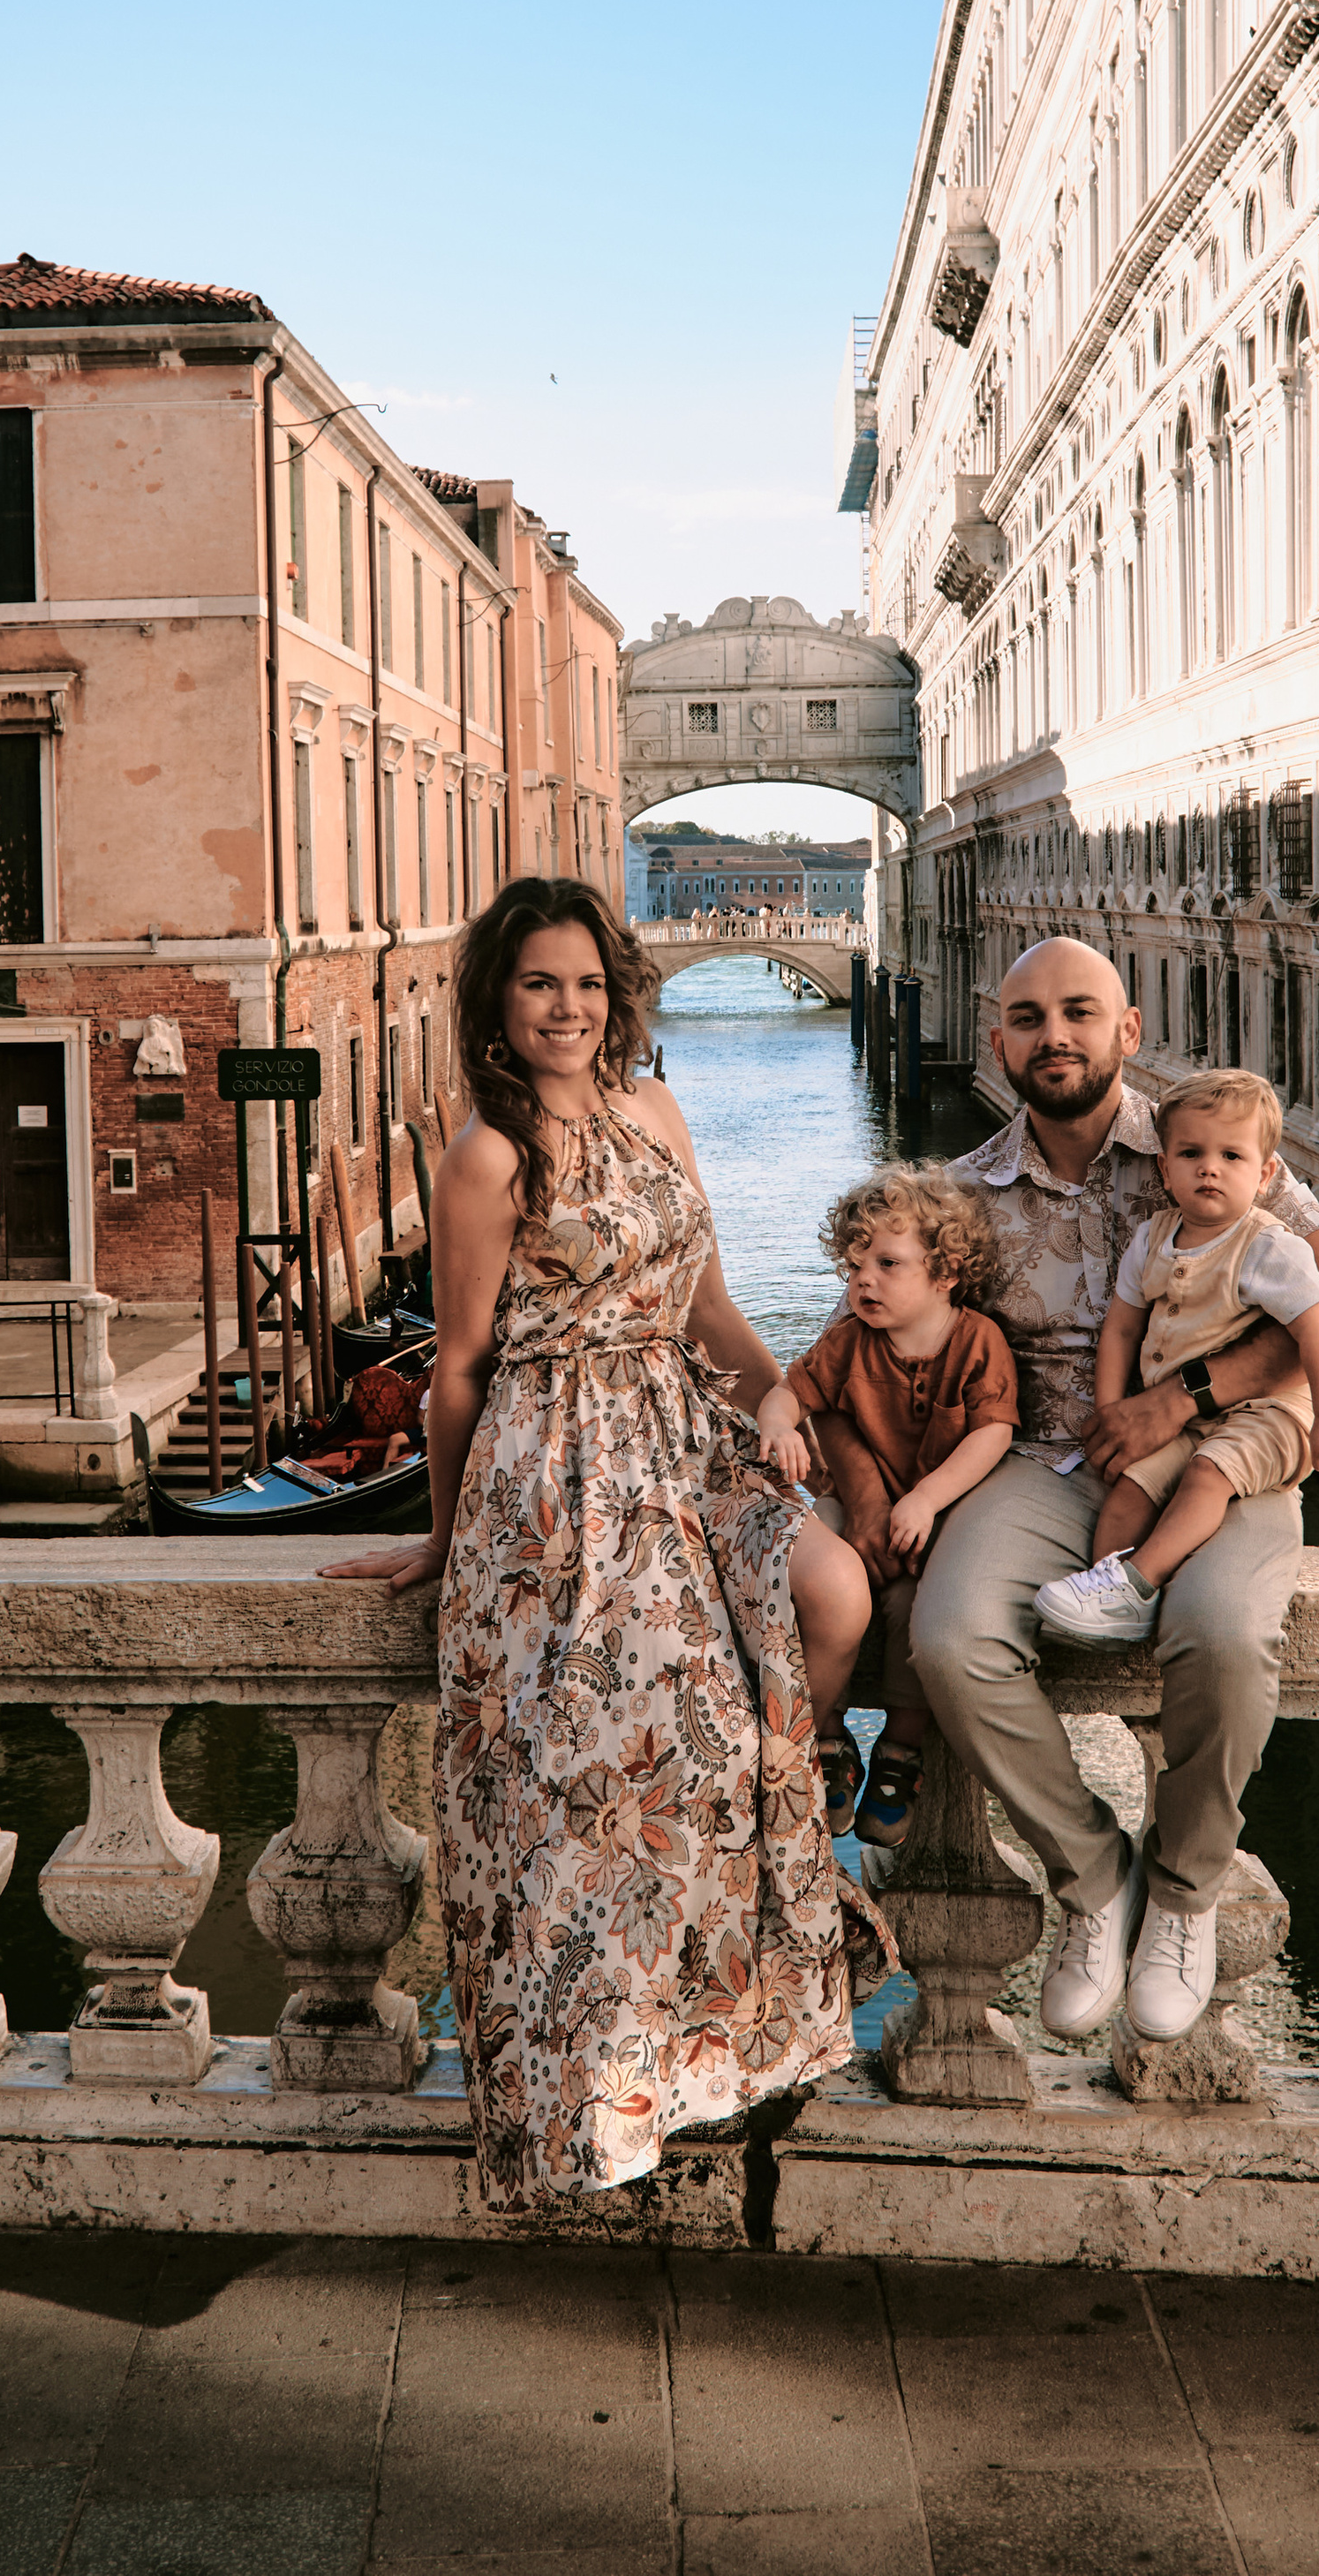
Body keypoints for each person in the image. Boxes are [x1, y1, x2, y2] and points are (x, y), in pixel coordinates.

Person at [321, 873, 889, 2209]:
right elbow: (458, 1368)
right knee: (600, 1781)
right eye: (538, 986)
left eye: (584, 982)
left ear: (613, 992)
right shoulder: (488, 1158)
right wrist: (449, 1541)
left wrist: (778, 1401)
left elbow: (711, 1299)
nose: (566, 1007)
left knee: (838, 1593)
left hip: (682, 1433)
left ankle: (775, 1844)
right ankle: (604, 2099)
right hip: (556, 1466)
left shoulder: (654, 1107)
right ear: (497, 1006)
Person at [839, 938, 1319, 2049]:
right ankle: (1095, 1879)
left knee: (1224, 1639)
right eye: (1028, 1018)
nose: (1056, 1036)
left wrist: (1184, 1398)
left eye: (1080, 1012)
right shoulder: (964, 1197)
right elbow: (871, 1350)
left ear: (1125, 1031)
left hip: (1226, 1458)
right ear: (998, 1042)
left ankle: (1183, 1895)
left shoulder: (1210, 1144)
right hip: (1048, 1468)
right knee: (948, 1640)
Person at [1034, 1069, 1319, 1649]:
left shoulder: (1269, 1247)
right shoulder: (1154, 1237)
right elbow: (1122, 1329)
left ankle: (1139, 1580)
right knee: (1129, 1489)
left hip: (1267, 1416)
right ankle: (1111, 1596)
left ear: (1265, 1174)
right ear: (1165, 1169)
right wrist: (1111, 1411)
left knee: (1207, 1475)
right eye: (1192, 1153)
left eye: (1232, 1155)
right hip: (1194, 1420)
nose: (1211, 1168)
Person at [757, 1163, 1018, 1850]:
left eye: (887, 1263)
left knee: (915, 1608)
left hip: (938, 1509)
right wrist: (780, 1425)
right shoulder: (849, 1342)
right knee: (814, 1572)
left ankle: (901, 1751)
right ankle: (828, 1730)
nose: (862, 1280)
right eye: (854, 1265)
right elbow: (789, 1394)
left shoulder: (978, 1342)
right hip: (856, 1502)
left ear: (946, 1273)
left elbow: (994, 1432)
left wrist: (928, 1499)